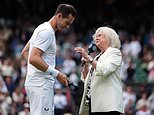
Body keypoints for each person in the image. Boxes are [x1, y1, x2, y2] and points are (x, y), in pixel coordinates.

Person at [21, 4, 76, 115]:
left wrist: (35, 71)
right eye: (67, 22)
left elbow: (25, 52)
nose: (67, 27)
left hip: (37, 83)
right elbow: (33, 58)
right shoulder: (47, 32)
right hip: (41, 85)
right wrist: (57, 74)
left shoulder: (41, 28)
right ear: (59, 16)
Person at [75, 27, 124, 115]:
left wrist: (88, 57)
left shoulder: (114, 52)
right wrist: (86, 65)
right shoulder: (97, 57)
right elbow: (87, 80)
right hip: (94, 104)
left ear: (109, 38)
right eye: (95, 36)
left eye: (100, 35)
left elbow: (104, 70)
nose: (96, 38)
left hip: (108, 105)